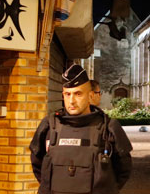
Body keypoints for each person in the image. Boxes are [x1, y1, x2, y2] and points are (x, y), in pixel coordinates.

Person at [30, 64, 133, 194]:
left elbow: (123, 169)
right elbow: (37, 163)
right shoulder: (48, 125)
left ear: (90, 96)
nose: (71, 101)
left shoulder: (109, 127)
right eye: (67, 94)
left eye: (78, 94)